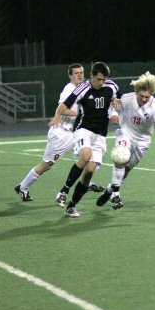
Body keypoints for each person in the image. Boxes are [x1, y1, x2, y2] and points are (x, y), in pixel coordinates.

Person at [14, 63, 99, 201]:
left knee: (87, 156)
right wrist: (80, 114)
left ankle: (86, 182)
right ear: (70, 75)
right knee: (47, 165)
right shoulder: (69, 89)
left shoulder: (83, 88)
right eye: (76, 72)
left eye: (81, 72)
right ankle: (22, 187)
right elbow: (62, 109)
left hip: (74, 134)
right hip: (61, 134)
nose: (79, 75)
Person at [50, 61, 120, 217]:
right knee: (85, 156)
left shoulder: (111, 86)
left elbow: (118, 97)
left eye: (104, 79)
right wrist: (57, 115)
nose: (101, 83)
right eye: (98, 79)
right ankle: (63, 191)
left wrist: (116, 102)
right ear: (92, 76)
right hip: (83, 129)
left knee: (89, 171)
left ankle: (71, 206)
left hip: (100, 135)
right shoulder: (83, 89)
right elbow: (64, 105)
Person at [96, 71, 155, 210]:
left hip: (143, 141)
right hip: (125, 133)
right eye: (142, 96)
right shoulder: (126, 98)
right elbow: (112, 106)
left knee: (125, 170)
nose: (144, 99)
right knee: (120, 157)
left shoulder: (154, 106)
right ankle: (116, 196)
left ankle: (109, 190)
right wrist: (113, 114)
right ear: (136, 92)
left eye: (147, 97)